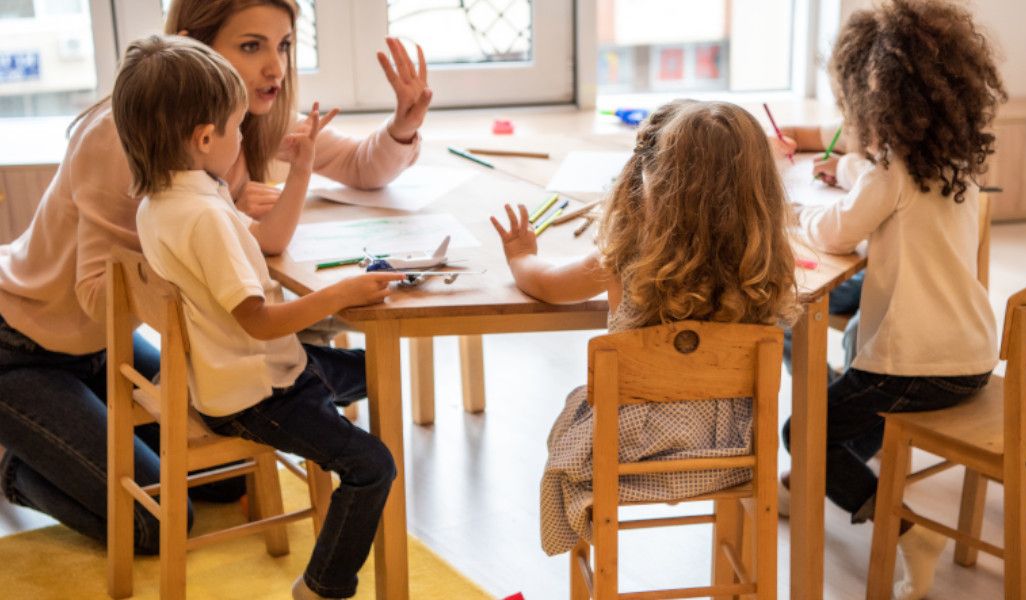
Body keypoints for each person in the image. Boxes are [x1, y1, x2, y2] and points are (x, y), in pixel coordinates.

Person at [0, 0, 429, 553]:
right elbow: (95, 300)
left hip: (102, 350)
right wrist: (199, 241)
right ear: (191, 46)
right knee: (155, 523)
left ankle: (65, 435)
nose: (274, 68)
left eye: (283, 45)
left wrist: (402, 126)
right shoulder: (127, 136)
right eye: (251, 46)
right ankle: (16, 463)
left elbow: (358, 167)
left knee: (230, 477)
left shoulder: (229, 115)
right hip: (23, 343)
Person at [114, 34, 407, 599]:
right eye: (237, 127)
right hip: (257, 396)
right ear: (205, 138)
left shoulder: (168, 200)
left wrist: (299, 171)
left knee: (381, 374)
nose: (244, 136)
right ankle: (322, 586)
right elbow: (261, 321)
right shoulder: (203, 216)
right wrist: (341, 294)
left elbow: (269, 238)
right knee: (372, 466)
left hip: (251, 374)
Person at [490, 100, 799, 555]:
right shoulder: (765, 268)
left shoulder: (625, 260)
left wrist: (520, 254)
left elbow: (546, 285)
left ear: (652, 182)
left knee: (568, 426)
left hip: (629, 458)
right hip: (733, 456)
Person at [779, 1, 1006, 598]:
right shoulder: (956, 167)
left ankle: (905, 531)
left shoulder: (888, 176)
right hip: (973, 358)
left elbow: (832, 233)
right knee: (850, 389)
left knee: (803, 429)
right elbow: (884, 181)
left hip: (915, 366)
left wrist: (792, 206)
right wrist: (849, 170)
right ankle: (815, 478)